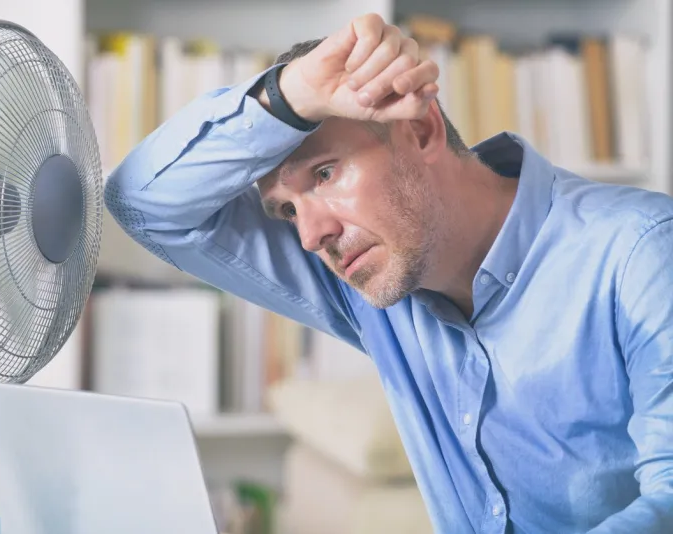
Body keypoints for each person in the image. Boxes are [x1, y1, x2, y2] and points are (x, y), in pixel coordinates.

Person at [104, 13, 673, 534]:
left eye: (324, 174)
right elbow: (142, 203)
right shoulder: (374, 280)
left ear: (422, 132)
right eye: (286, 209)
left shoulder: (641, 252)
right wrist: (289, 96)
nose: (309, 236)